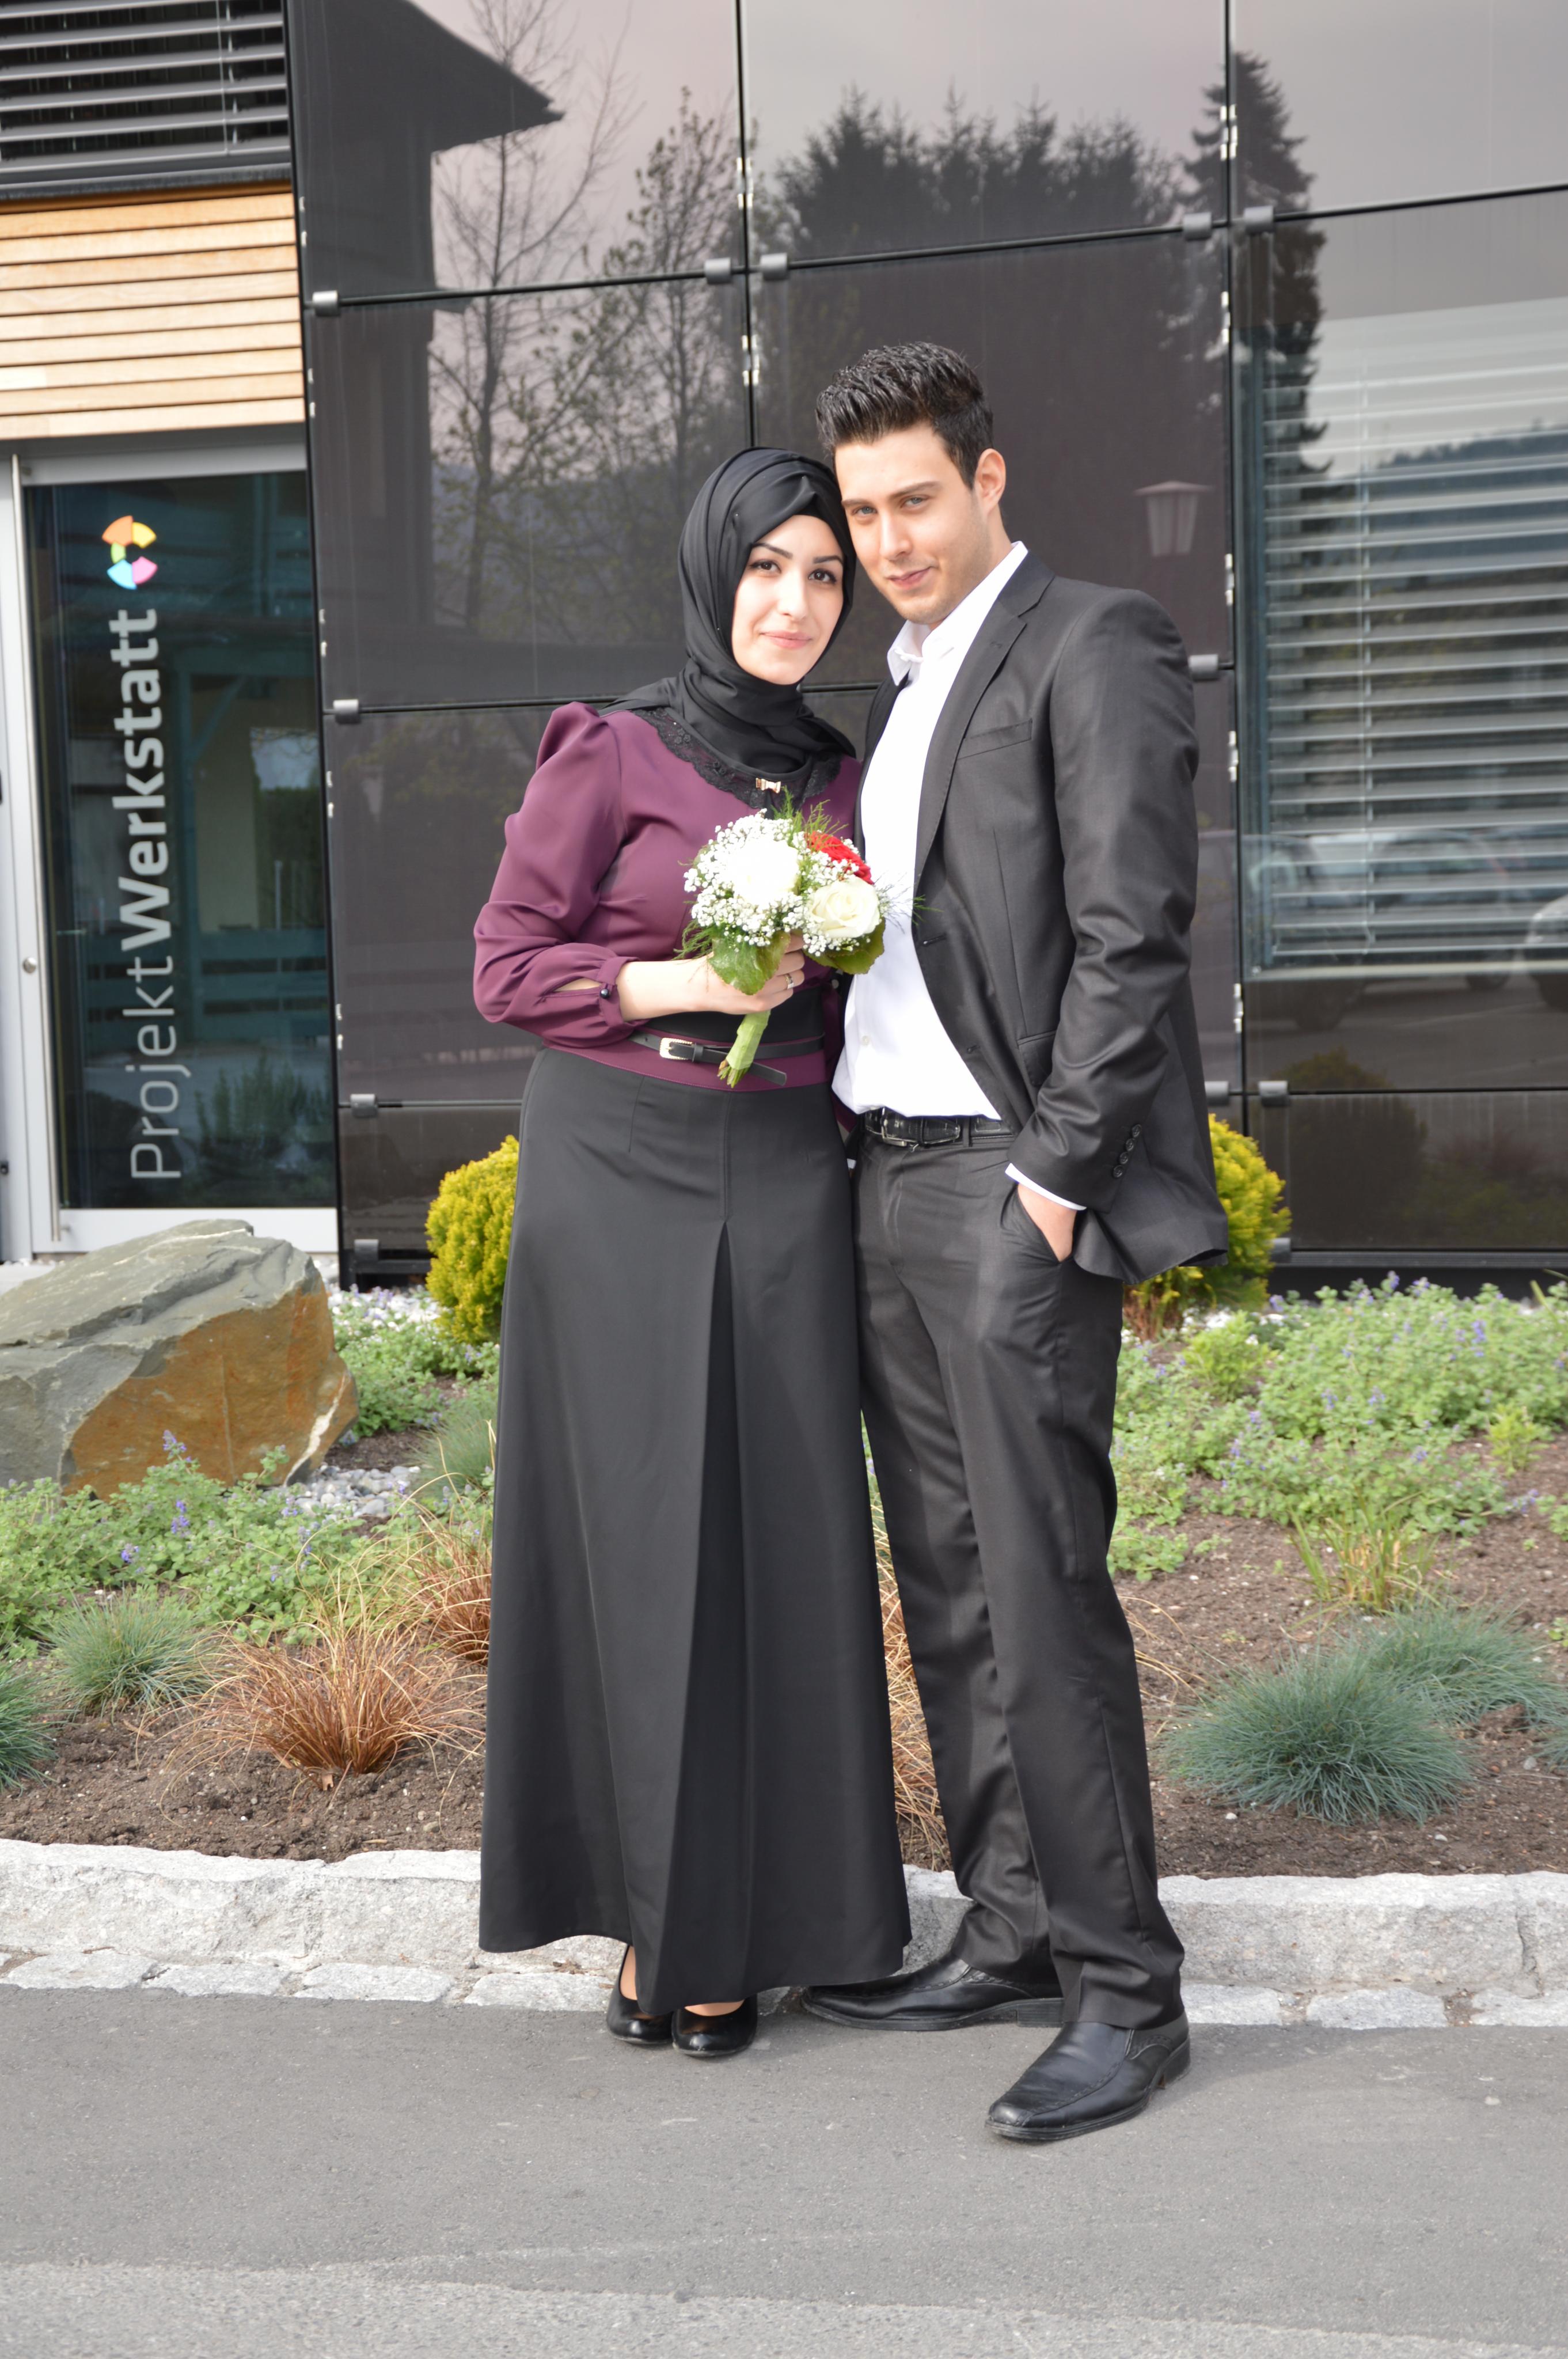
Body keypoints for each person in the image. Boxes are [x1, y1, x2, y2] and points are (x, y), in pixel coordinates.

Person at [802, 344, 1227, 2141]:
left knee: (1043, 1592)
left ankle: (1128, 1994)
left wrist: (1052, 1179)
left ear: (986, 480)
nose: (888, 539)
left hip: (1006, 1184)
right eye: (862, 512)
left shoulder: (1090, 640)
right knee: (952, 1589)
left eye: (915, 498)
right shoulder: (900, 687)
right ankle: (1013, 1929)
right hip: (886, 1176)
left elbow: (1136, 933)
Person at [472, 449, 910, 2061]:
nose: (795, 602)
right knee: (641, 1540)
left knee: (786, 1534)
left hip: (788, 1163)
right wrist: (683, 985)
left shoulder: (844, 776)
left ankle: (792, 1921)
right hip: (616, 1162)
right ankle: (664, 1926)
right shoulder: (611, 746)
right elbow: (504, 967)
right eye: (768, 568)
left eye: (823, 575)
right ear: (714, 573)